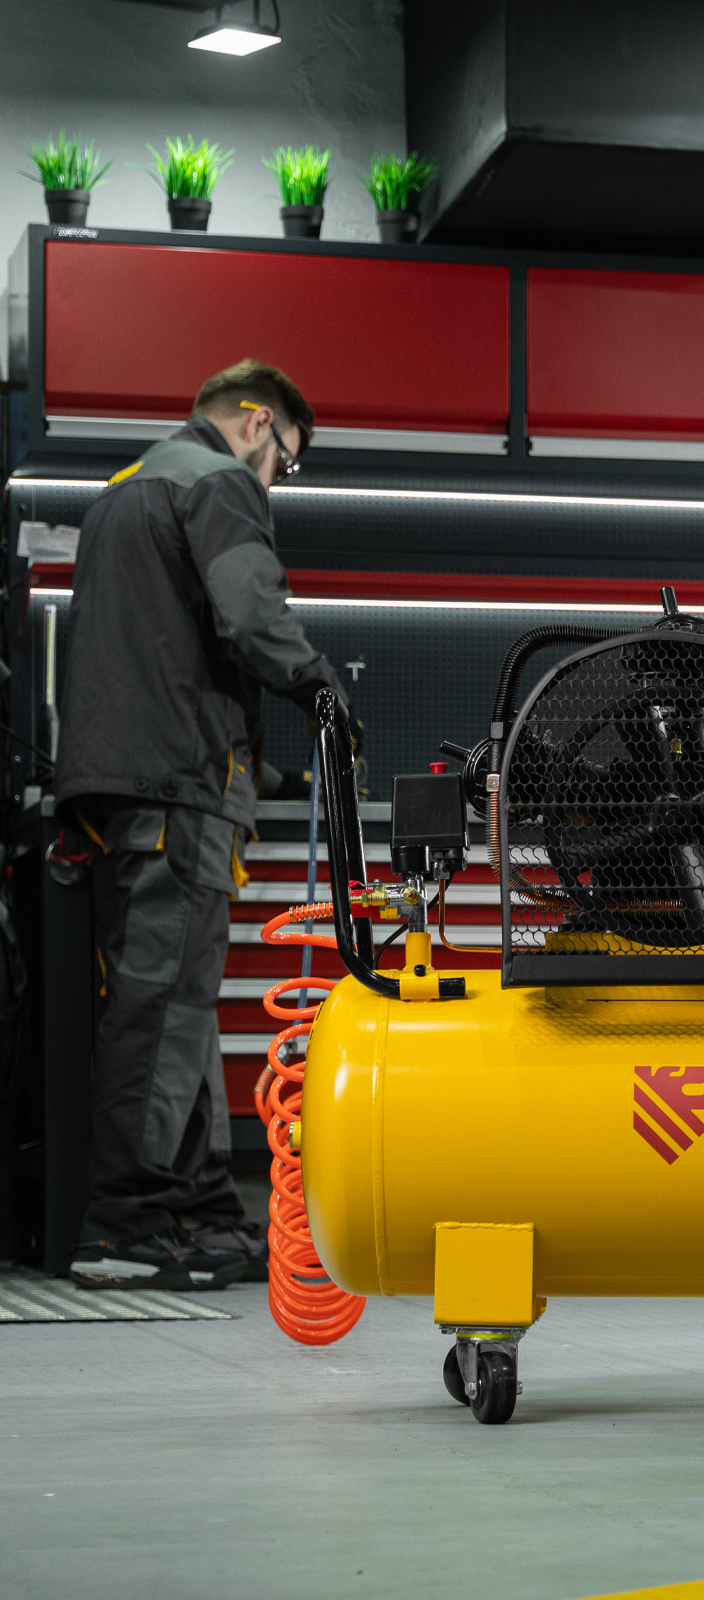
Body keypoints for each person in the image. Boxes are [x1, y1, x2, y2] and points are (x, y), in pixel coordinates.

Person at [55, 359, 348, 1291]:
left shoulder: (126, 489)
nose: (277, 480)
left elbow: (161, 653)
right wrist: (321, 689)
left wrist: (260, 767)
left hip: (129, 782)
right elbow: (251, 618)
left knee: (171, 1004)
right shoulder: (218, 480)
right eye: (286, 460)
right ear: (257, 421)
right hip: (175, 789)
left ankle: (201, 1213)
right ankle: (124, 1224)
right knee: (162, 1008)